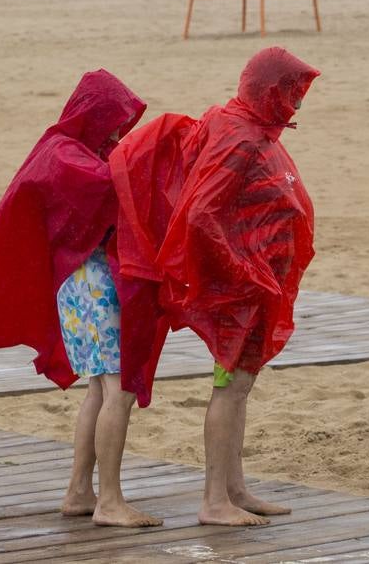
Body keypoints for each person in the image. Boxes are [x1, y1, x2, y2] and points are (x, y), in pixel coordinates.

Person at [0, 70, 166, 528]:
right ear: (94, 114)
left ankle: (80, 492)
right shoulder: (66, 153)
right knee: (118, 389)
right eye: (116, 120)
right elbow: (110, 187)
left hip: (79, 286)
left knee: (100, 388)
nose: (120, 130)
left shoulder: (66, 149)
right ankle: (110, 502)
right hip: (90, 286)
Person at [110, 47, 319, 526]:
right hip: (243, 290)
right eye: (292, 92)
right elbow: (201, 212)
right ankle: (214, 500)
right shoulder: (240, 137)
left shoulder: (247, 127)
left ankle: (234, 487)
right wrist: (242, 270)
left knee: (241, 385)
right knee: (230, 386)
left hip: (258, 286)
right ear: (270, 91)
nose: (299, 104)